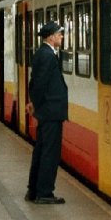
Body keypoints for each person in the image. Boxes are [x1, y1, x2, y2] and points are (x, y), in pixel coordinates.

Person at [24, 20, 68, 205]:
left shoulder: (42, 53)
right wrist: (35, 103)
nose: (61, 37)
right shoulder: (48, 56)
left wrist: (34, 102)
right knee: (50, 153)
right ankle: (44, 193)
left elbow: (34, 82)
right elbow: (40, 84)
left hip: (47, 111)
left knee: (41, 151)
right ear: (51, 37)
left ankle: (34, 190)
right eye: (59, 34)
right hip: (51, 112)